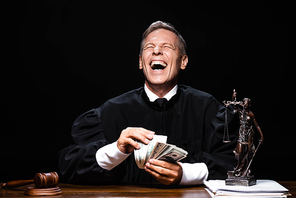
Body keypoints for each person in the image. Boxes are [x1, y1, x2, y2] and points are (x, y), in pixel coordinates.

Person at [58, 21, 237, 186]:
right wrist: (117, 150)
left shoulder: (207, 108)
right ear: (140, 62)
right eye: (149, 47)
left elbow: (236, 163)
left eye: (167, 47)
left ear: (183, 61)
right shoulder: (111, 111)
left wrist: (186, 173)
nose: (157, 51)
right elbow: (68, 165)